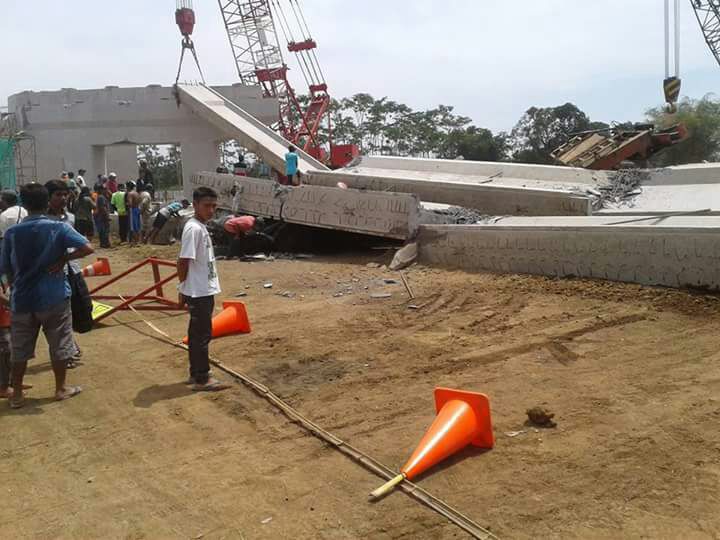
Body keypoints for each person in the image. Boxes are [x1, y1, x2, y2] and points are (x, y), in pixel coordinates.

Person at [1, 183, 94, 408]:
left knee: (20, 349)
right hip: (54, 296)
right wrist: (62, 260)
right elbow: (88, 248)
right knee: (59, 343)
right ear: (47, 202)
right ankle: (61, 388)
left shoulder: (12, 233)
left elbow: (4, 267)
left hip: (22, 298)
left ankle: (16, 395)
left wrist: (13, 286)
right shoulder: (58, 227)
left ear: (24, 204)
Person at [177, 187, 229, 392]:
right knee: (201, 335)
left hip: (202, 289)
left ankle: (195, 372)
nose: (211, 210)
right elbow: (183, 262)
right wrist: (182, 288)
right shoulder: (194, 229)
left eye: (214, 206)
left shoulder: (200, 226)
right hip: (199, 292)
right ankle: (202, 377)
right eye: (207, 205)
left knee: (197, 333)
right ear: (195, 205)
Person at [45, 180, 84, 369]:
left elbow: (79, 244)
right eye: (57, 194)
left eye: (64, 194)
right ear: (48, 197)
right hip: (52, 274)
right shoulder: (42, 220)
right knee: (58, 316)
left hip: (72, 270)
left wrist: (67, 259)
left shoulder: (70, 217)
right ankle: (66, 353)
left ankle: (70, 347)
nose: (62, 198)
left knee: (81, 313)